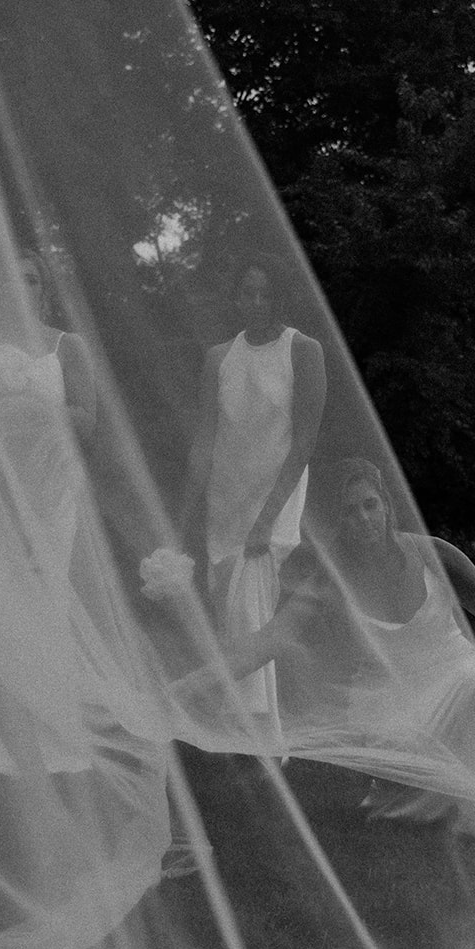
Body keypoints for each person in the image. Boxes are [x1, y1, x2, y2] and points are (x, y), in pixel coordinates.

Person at [180, 456, 475, 840]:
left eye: (370, 505)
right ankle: (414, 814)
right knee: (398, 756)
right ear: (338, 523)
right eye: (350, 511)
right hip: (387, 696)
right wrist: (190, 685)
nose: (363, 518)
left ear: (386, 506)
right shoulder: (331, 580)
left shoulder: (433, 554)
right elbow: (267, 642)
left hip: (454, 677)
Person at [183, 255, 326, 737]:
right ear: (236, 297)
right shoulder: (219, 357)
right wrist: (185, 512)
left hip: (276, 500)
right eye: (248, 292)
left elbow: (304, 441)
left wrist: (267, 518)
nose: (256, 302)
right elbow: (205, 440)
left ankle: (261, 735)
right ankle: (237, 731)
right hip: (225, 504)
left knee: (252, 613)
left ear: (280, 296)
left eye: (265, 293)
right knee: (230, 613)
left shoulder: (303, 350)